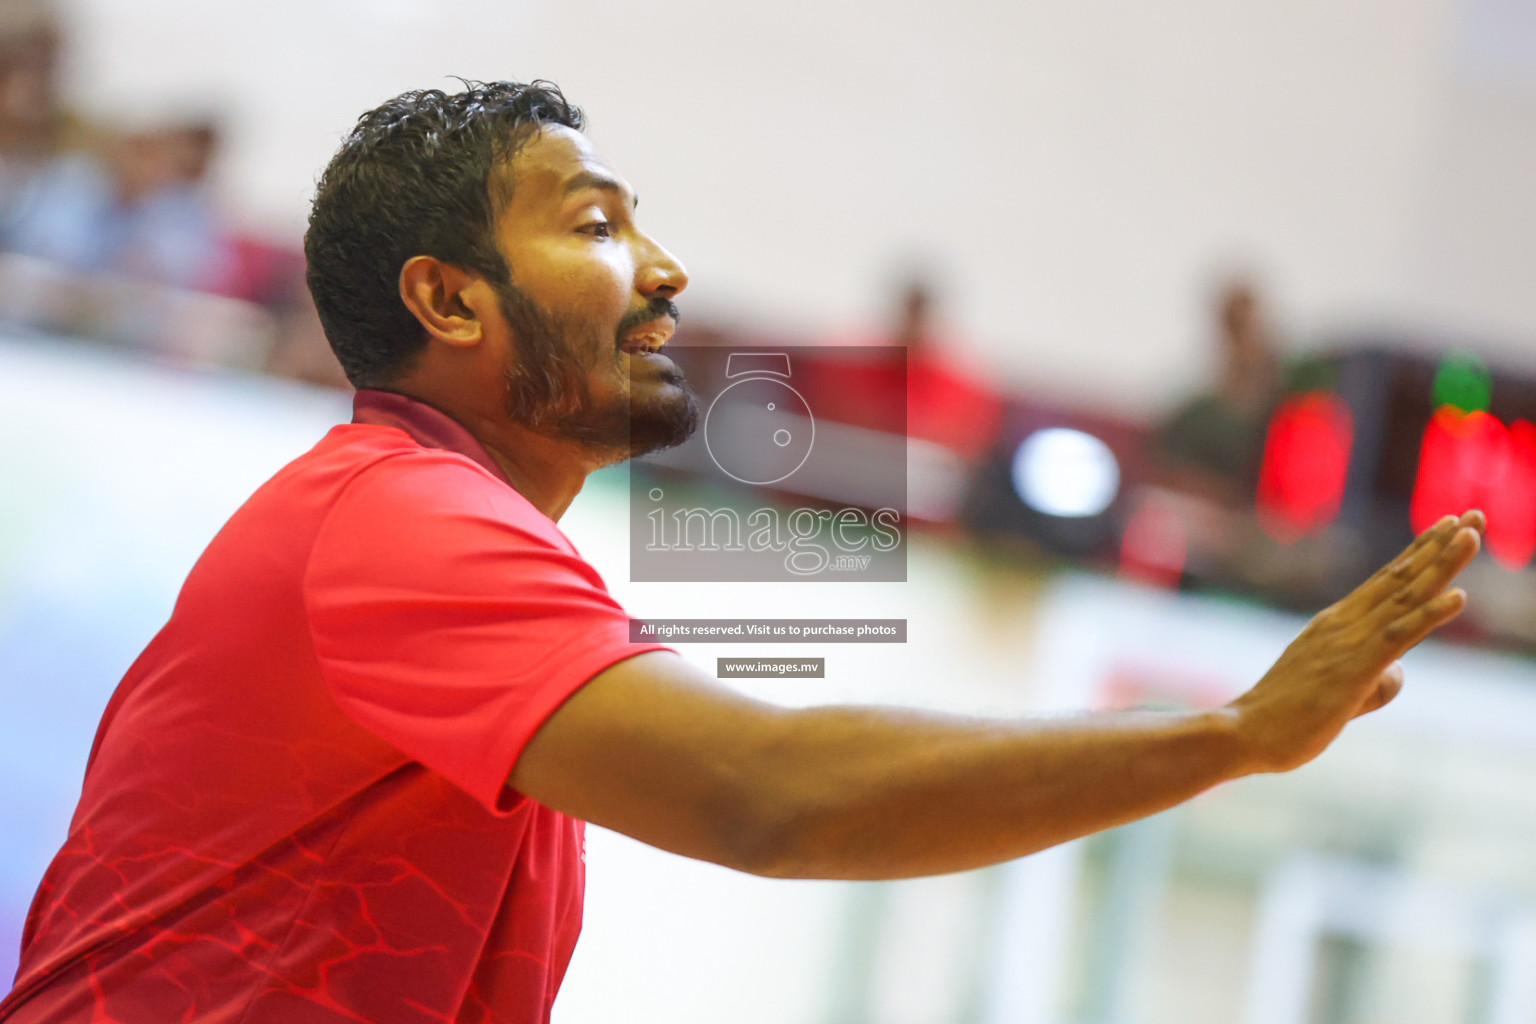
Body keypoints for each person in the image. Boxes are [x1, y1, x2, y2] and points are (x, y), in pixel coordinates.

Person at [0, 81, 1484, 1024]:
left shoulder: (435, 526)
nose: (667, 271)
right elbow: (771, 796)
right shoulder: (402, 517)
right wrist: (1229, 735)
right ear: (449, 301)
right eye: (597, 225)